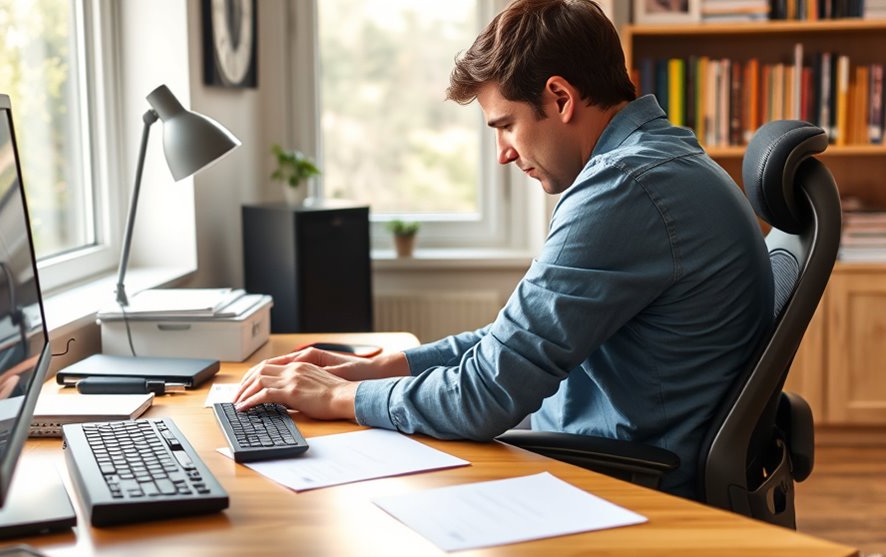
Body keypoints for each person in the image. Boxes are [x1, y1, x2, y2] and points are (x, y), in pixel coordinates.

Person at [234, 0, 772, 498]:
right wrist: (385, 367)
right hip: (601, 453)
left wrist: (333, 398)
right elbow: (512, 342)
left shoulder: (626, 187)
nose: (502, 154)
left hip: (622, 484)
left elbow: (484, 396)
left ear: (560, 99)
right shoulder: (657, 161)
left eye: (506, 125)